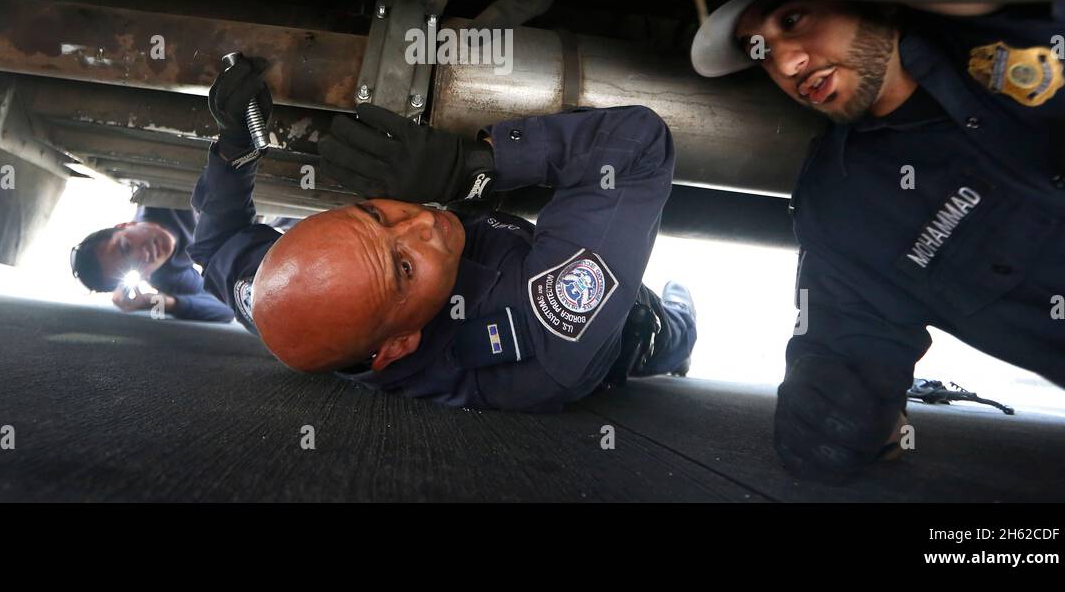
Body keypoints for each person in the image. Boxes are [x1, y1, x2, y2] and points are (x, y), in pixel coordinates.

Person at [673, 0, 1065, 481]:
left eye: (793, 19)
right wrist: (839, 419)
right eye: (760, 52)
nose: (788, 63)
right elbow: (841, 373)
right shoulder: (845, 203)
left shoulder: (1011, 23)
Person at [190, 55, 697, 411]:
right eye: (404, 267)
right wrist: (480, 166)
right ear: (399, 345)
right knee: (677, 323)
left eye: (375, 214)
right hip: (627, 330)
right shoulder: (542, 340)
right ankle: (681, 318)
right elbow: (636, 146)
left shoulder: (287, 310)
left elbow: (214, 248)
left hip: (504, 241)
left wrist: (237, 142)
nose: (422, 221)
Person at [70, 205, 236, 323]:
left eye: (126, 247)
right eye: (132, 269)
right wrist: (162, 303)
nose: (144, 255)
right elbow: (227, 309)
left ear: (126, 225)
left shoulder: (158, 198)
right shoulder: (165, 276)